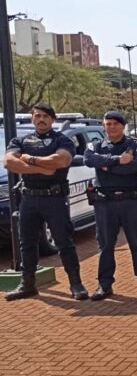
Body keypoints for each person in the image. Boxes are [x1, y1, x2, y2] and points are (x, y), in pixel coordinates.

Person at [4, 103, 89, 301]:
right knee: (27, 244)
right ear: (32, 118)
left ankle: (76, 284)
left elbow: (60, 161)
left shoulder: (62, 140)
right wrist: (42, 168)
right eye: (37, 115)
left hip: (55, 199)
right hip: (29, 199)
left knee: (64, 243)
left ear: (52, 119)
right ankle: (28, 285)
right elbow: (9, 162)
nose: (41, 119)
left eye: (45, 116)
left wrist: (29, 159)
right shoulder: (20, 140)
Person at [83, 110, 137, 301]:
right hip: (105, 202)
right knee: (105, 245)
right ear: (103, 126)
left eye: (116, 123)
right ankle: (104, 285)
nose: (112, 127)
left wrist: (105, 166)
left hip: (131, 201)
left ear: (123, 125)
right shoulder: (96, 144)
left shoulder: (134, 144)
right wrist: (116, 161)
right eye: (108, 124)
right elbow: (89, 159)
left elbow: (136, 166)